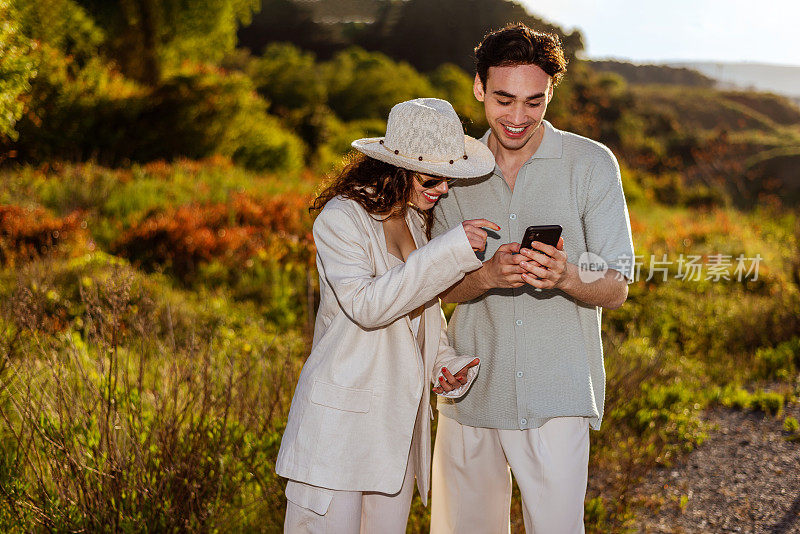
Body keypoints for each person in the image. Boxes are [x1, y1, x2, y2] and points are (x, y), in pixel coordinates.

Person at [429, 24, 635, 533]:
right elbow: (428, 285)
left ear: (550, 94)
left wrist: (567, 275)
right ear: (479, 87)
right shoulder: (450, 173)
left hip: (558, 394)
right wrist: (485, 277)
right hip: (470, 394)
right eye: (503, 99)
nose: (518, 117)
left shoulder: (591, 164)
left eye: (534, 102)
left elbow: (617, 285)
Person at [276, 98, 498, 533]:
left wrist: (443, 366)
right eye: (433, 178)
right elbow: (368, 307)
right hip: (340, 429)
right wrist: (450, 251)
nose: (444, 190)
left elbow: (418, 313)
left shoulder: (416, 221)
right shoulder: (342, 218)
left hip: (396, 432)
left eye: (449, 178)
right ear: (395, 167)